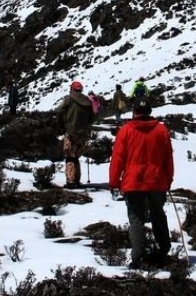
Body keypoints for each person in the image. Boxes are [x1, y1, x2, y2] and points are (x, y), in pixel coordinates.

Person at [109, 102, 174, 268]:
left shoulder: (126, 130)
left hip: (133, 182)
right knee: (158, 214)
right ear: (149, 111)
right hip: (157, 180)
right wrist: (168, 179)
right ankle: (163, 248)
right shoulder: (161, 130)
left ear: (134, 111)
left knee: (136, 217)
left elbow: (118, 158)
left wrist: (114, 181)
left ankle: (138, 256)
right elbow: (168, 158)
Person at [55, 80, 94, 189]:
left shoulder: (70, 99)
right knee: (76, 156)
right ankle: (77, 180)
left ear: (72, 89)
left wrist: (61, 123)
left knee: (69, 156)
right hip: (83, 133)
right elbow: (92, 118)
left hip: (71, 132)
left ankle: (70, 181)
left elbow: (58, 111)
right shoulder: (87, 101)